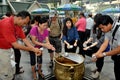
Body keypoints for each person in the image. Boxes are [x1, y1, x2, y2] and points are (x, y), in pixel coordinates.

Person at [0, 11, 41, 80]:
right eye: (24, 23)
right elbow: (16, 45)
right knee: (5, 73)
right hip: (2, 49)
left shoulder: (17, 25)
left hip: (9, 48)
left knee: (12, 68)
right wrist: (32, 49)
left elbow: (24, 39)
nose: (24, 25)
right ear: (19, 18)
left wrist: (33, 48)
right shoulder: (7, 24)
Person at [92, 15, 120, 80]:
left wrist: (104, 54)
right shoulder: (108, 30)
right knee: (117, 72)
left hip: (118, 53)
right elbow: (105, 43)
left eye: (102, 28)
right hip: (116, 55)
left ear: (109, 24)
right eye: (100, 28)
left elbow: (119, 49)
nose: (102, 30)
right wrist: (97, 54)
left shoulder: (119, 30)